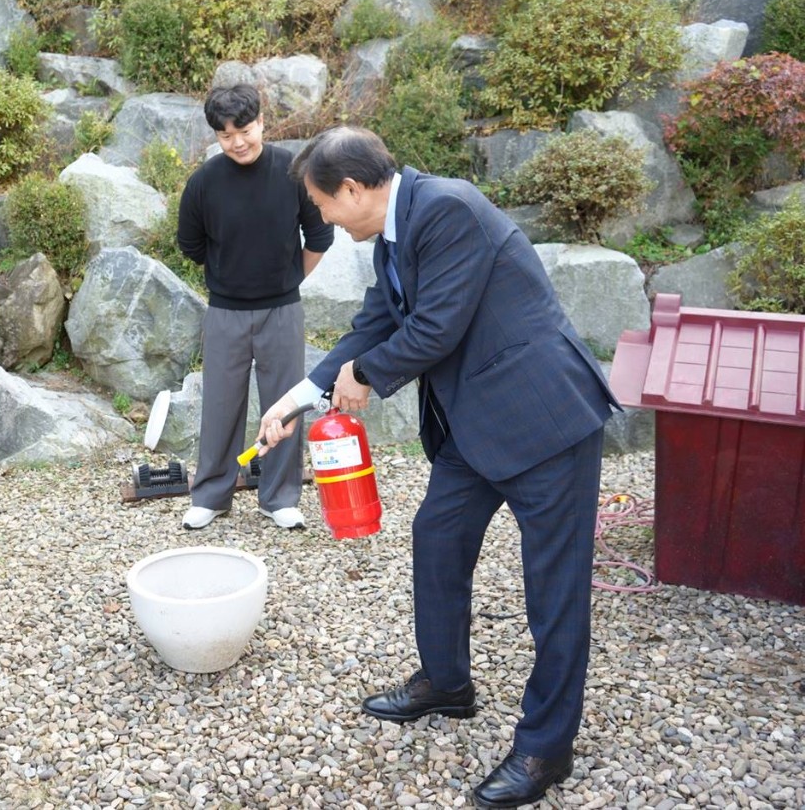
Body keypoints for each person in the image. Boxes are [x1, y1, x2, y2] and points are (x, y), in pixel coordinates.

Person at [257, 126, 619, 808]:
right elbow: (374, 324)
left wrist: (365, 375)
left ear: (353, 189)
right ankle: (448, 683)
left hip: (544, 418)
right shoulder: (392, 234)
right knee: (437, 537)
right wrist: (298, 398)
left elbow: (436, 327)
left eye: (323, 205)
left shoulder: (447, 209)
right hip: (475, 425)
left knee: (554, 590)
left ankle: (546, 747)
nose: (324, 218)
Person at [176, 84, 334, 531]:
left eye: (244, 130)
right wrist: (231, 274)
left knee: (285, 404)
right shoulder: (204, 182)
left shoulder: (293, 172)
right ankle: (211, 495)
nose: (237, 142)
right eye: (225, 135)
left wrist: (288, 280)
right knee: (220, 405)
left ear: (262, 122)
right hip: (225, 312)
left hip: (282, 310)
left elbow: (319, 237)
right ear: (216, 136)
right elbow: (191, 244)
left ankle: (279, 497)